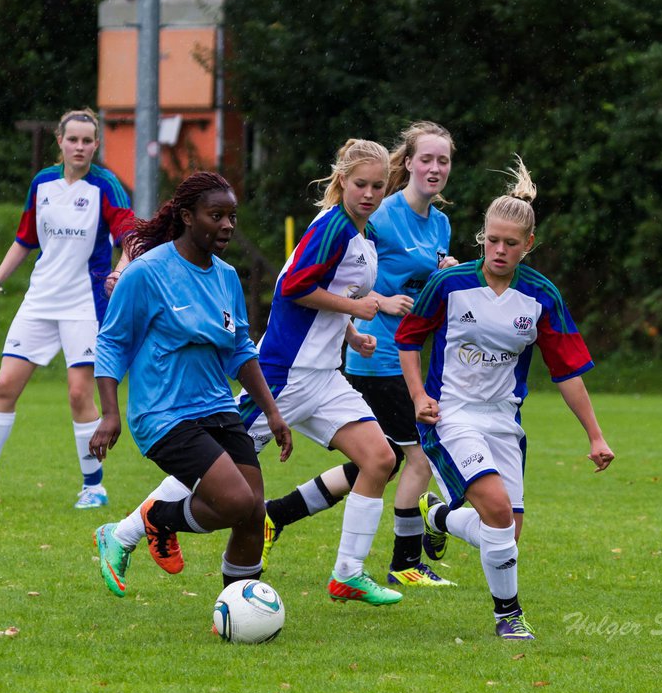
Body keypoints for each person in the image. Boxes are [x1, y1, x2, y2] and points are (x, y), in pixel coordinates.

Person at [396, 157, 615, 639]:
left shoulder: (541, 297)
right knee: (495, 508)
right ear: (482, 236)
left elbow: (569, 373)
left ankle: (438, 516)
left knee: (506, 533)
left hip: (503, 423)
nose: (499, 250)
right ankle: (508, 617)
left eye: (510, 244)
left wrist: (596, 436)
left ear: (528, 245)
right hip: (450, 417)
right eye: (492, 240)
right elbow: (408, 339)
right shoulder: (449, 284)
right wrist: (417, 396)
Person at [259, 121, 461, 589]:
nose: (434, 168)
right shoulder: (380, 214)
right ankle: (408, 557)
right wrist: (371, 312)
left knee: (378, 460)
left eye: (443, 160)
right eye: (426, 159)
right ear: (406, 163)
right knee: (418, 459)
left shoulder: (442, 223)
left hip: (402, 354)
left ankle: (277, 515)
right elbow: (338, 280)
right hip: (378, 358)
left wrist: (444, 275)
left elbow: (414, 287)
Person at [90, 172, 291, 597]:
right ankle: (157, 518)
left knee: (253, 512)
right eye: (215, 215)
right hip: (162, 414)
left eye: (232, 216)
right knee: (235, 501)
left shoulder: (227, 277)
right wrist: (109, 412)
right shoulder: (147, 273)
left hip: (216, 406)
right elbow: (111, 342)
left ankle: (243, 604)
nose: (227, 225)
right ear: (186, 217)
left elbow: (241, 351)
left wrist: (273, 413)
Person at [0, 109, 135, 509]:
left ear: (96, 145)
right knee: (4, 386)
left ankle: (93, 487)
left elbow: (131, 236)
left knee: (80, 394)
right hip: (40, 299)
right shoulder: (42, 183)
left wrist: (120, 270)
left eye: (87, 141)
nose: (79, 147)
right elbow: (25, 238)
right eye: (72, 139)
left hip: (85, 303)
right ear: (59, 141)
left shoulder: (106, 186)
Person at [243, 138, 402, 605]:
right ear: (341, 182)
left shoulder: (363, 234)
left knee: (379, 459)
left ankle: (348, 574)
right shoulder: (332, 227)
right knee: (217, 463)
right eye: (360, 184)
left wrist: (350, 332)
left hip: (325, 375)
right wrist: (360, 307)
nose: (370, 193)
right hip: (287, 372)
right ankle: (129, 530)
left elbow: (329, 292)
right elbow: (292, 287)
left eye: (378, 185)